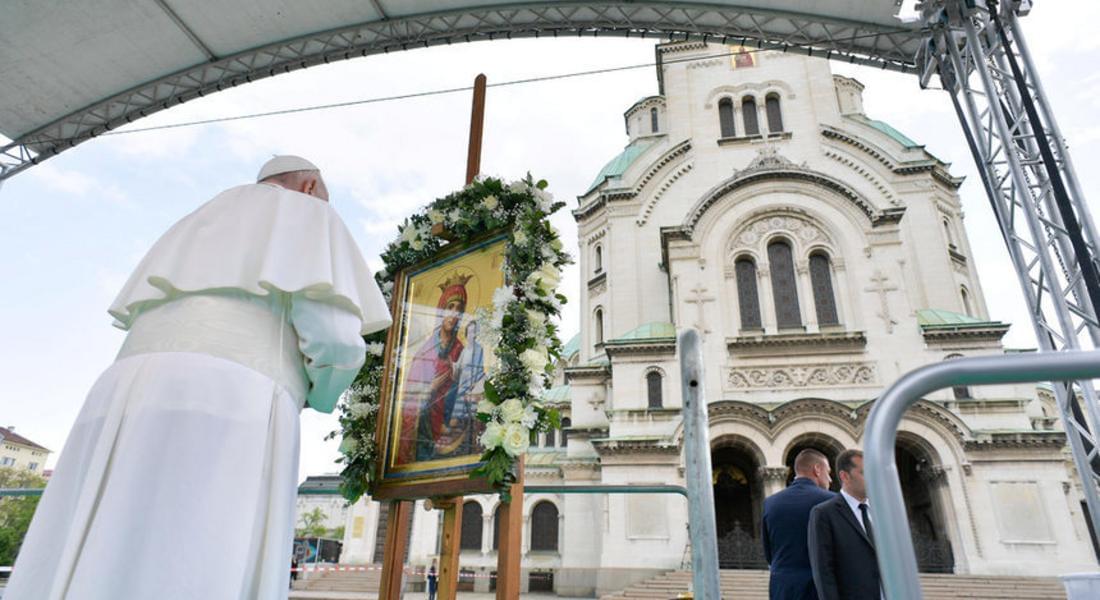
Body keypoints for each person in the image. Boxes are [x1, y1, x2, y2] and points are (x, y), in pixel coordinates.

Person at [5, 156, 392, 600]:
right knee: (198, 548)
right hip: (234, 393)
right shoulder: (306, 213)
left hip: (122, 390)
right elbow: (335, 340)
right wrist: (320, 392)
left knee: (102, 535)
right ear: (308, 187)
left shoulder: (203, 216)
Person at [397, 273, 471, 463]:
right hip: (426, 433)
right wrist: (430, 388)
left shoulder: (462, 350)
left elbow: (470, 387)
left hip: (454, 433)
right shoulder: (424, 353)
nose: (454, 315)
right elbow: (407, 400)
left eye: (460, 310)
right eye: (450, 307)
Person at [760, 449, 835, 600]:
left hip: (782, 588)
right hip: (818, 588)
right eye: (828, 472)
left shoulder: (770, 503)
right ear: (817, 470)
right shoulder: (833, 501)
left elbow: (768, 552)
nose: (830, 479)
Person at [808, 449, 881, 600]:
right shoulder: (824, 513)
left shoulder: (883, 511)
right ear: (845, 476)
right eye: (864, 473)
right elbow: (824, 572)